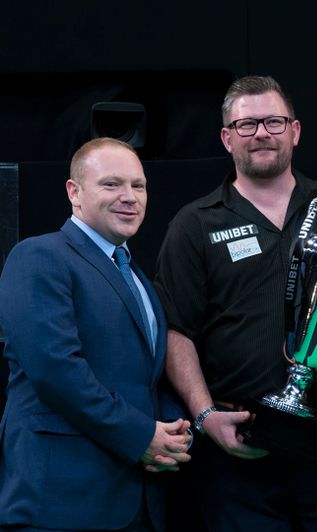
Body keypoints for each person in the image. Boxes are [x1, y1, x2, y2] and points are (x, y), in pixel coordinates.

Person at [153, 75, 317, 532]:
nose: (262, 134)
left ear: (295, 131)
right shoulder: (195, 223)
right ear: (226, 137)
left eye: (273, 121)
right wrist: (206, 416)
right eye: (247, 124)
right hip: (237, 435)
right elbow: (176, 331)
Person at [0, 137, 192, 532]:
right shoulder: (39, 256)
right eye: (111, 184)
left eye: (138, 186)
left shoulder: (138, 278)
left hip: (137, 500)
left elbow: (142, 379)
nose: (129, 197)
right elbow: (56, 370)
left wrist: (178, 428)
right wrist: (142, 436)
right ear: (75, 192)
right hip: (61, 502)